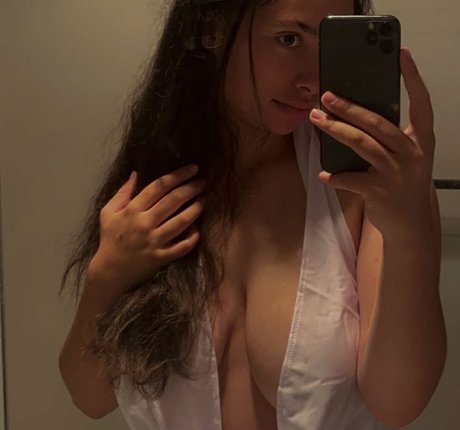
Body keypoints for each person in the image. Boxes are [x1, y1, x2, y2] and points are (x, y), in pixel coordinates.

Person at [58, 0, 447, 429]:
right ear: (212, 29)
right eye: (289, 39)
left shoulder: (363, 184)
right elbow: (89, 397)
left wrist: (409, 230)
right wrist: (108, 276)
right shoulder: (156, 186)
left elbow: (398, 403)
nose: (313, 80)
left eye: (329, 43)